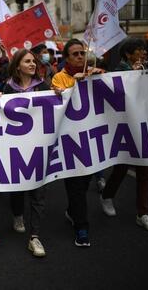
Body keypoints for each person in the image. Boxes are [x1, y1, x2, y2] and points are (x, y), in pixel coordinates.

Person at [51, 39, 104, 247]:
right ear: (66, 58)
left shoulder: (95, 72)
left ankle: (73, 212)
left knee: (85, 181)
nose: (80, 57)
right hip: (69, 141)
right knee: (76, 186)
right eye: (75, 54)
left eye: (82, 53)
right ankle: (82, 228)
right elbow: (59, 104)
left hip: (90, 138)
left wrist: (101, 78)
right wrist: (76, 84)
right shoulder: (59, 78)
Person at [100, 37, 148, 231]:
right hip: (125, 127)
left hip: (144, 126)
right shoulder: (119, 72)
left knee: (145, 171)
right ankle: (107, 196)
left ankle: (143, 213)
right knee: (121, 168)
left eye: (144, 50)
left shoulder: (146, 70)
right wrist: (135, 76)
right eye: (139, 50)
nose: (144, 53)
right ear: (128, 54)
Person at [1, 49, 50, 257]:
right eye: (27, 61)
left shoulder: (44, 86)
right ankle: (18, 214)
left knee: (38, 191)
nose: (32, 64)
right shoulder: (7, 88)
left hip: (39, 146)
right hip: (16, 148)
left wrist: (59, 96)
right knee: (18, 188)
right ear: (17, 65)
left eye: (34, 61)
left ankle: (35, 237)